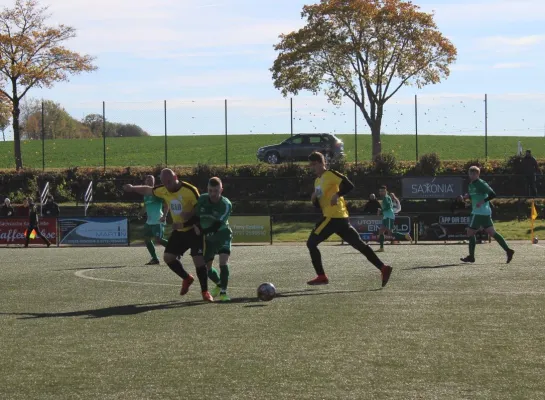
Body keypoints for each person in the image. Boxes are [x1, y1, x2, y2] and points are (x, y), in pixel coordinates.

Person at [123, 168, 213, 302]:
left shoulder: (190, 190)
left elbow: (201, 212)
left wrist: (187, 220)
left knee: (198, 261)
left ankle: (205, 292)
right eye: (164, 182)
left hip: (194, 230)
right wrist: (132, 188)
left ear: (176, 177)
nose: (167, 185)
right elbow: (148, 190)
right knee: (168, 257)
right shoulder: (163, 189)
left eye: (169, 181)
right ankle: (187, 278)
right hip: (179, 232)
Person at [305, 152, 392, 288]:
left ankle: (321, 276)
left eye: (314, 164)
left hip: (333, 217)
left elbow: (349, 185)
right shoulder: (317, 181)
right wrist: (314, 199)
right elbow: (319, 205)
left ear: (322, 163)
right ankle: (383, 268)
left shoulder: (331, 174)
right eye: (311, 165)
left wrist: (337, 194)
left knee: (311, 243)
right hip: (339, 218)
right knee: (360, 245)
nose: (312, 167)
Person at [461, 166, 515, 264]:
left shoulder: (481, 183)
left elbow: (493, 194)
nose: (472, 175)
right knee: (492, 232)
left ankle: (471, 257)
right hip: (484, 213)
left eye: (474, 174)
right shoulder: (471, 185)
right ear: (469, 174)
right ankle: (508, 250)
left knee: (470, 233)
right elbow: (474, 196)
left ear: (478, 174)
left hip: (478, 213)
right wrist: (467, 197)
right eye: (471, 173)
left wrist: (482, 201)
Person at [193, 177, 233, 302]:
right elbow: (195, 216)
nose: (213, 194)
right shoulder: (202, 199)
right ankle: (219, 283)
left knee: (223, 263)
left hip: (222, 234)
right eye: (210, 191)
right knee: (206, 268)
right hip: (208, 238)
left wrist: (201, 231)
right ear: (207, 189)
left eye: (216, 191)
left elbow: (216, 226)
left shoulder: (226, 204)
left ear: (221, 190)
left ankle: (223, 292)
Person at [140, 175, 169, 265]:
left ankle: (175, 249)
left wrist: (164, 216)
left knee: (158, 239)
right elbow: (145, 206)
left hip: (158, 220)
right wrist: (140, 213)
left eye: (151, 180)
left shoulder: (157, 193)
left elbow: (166, 204)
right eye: (148, 180)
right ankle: (155, 259)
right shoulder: (145, 194)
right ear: (145, 182)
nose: (149, 182)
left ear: (154, 182)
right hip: (149, 221)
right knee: (147, 239)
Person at [376, 186, 412, 252]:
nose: (381, 192)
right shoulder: (385, 198)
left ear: (385, 191)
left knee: (391, 232)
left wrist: (381, 210)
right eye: (380, 191)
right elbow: (387, 207)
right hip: (386, 217)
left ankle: (405, 235)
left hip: (389, 217)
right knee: (381, 231)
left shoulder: (386, 198)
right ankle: (381, 248)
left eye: (382, 191)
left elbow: (389, 206)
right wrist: (382, 210)